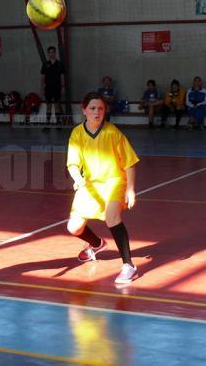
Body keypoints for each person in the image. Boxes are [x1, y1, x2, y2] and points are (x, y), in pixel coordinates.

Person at [66, 92, 139, 285]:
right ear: (84, 110)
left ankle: (129, 266)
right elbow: (73, 164)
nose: (97, 112)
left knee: (112, 217)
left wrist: (130, 189)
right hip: (90, 184)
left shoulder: (113, 133)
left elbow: (130, 163)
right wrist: (77, 179)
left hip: (114, 181)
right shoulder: (77, 134)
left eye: (100, 108)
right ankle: (97, 245)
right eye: (92, 108)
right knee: (73, 227)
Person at [40, 46, 65, 125]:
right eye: (50, 52)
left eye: (53, 52)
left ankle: (58, 123)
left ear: (55, 53)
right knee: (49, 106)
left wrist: (63, 87)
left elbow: (62, 76)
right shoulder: (45, 64)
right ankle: (47, 123)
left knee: (57, 106)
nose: (51, 54)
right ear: (48, 54)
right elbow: (43, 77)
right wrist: (42, 87)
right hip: (48, 88)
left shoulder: (60, 64)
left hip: (57, 88)